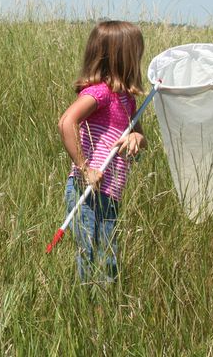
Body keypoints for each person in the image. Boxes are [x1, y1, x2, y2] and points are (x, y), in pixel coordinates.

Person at [58, 20, 147, 285]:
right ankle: (87, 309)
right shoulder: (100, 94)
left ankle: (100, 312)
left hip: (111, 194)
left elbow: (142, 140)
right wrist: (85, 168)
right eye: (136, 53)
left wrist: (136, 136)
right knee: (88, 257)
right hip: (87, 191)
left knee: (108, 258)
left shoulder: (127, 99)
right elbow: (66, 122)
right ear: (122, 57)